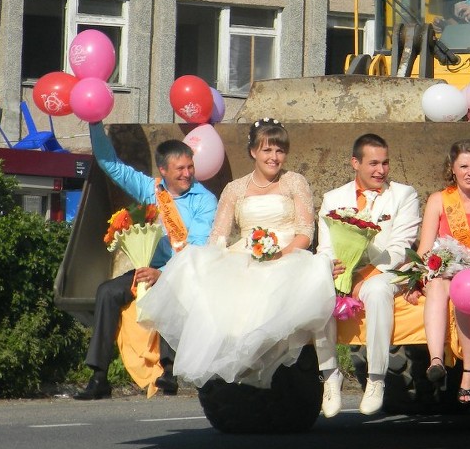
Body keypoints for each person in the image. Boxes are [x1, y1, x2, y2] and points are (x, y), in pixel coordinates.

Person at [137, 119, 336, 389]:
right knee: (199, 268)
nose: (274, 157)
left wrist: (283, 254)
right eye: (267, 150)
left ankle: (325, 376)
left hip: (289, 254)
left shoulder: (294, 182)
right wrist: (214, 260)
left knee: (279, 293)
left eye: (279, 151)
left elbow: (305, 231)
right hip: (247, 253)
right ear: (253, 151)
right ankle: (235, 363)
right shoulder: (235, 188)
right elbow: (218, 236)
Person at [74, 122, 218, 400]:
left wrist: (161, 273)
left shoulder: (205, 200)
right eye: (180, 169)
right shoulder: (152, 190)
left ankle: (169, 372)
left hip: (183, 272)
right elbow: (111, 165)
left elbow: (196, 249)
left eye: (190, 167)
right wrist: (94, 123)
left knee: (169, 290)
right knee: (107, 291)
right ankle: (99, 376)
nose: (187, 174)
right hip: (148, 271)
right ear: (163, 171)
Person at [316, 133, 421, 417]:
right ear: (355, 163)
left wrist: (365, 276)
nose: (381, 170)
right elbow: (325, 247)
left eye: (385, 163)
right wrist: (335, 271)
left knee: (376, 290)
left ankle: (375, 380)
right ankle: (330, 375)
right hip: (345, 272)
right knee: (318, 290)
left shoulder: (404, 194)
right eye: (373, 163)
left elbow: (401, 248)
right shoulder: (332, 198)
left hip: (387, 272)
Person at [415, 140, 470, 404]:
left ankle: (469, 370)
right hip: (443, 269)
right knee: (438, 285)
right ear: (452, 169)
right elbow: (425, 247)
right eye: (463, 166)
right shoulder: (438, 200)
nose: (469, 172)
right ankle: (436, 361)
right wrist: (414, 276)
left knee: (464, 288)